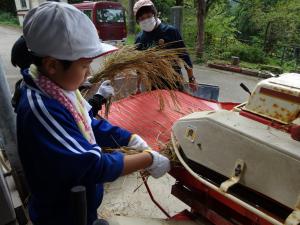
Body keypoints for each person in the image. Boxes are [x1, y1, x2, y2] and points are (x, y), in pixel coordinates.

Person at [14, 2, 170, 225]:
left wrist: (128, 138)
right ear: (51, 65)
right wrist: (148, 159)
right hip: (63, 216)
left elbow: (88, 123)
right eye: (84, 66)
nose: (89, 72)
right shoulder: (43, 109)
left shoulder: (55, 87)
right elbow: (90, 167)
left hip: (81, 207)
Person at [11, 36, 112, 117]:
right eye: (84, 66)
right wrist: (99, 97)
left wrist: (78, 85)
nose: (89, 72)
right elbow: (79, 119)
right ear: (49, 66)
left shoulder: (30, 86)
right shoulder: (45, 108)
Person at [133, 0, 196, 92]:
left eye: (148, 16)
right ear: (138, 20)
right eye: (142, 18)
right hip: (152, 86)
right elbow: (140, 66)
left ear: (154, 14)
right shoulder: (139, 39)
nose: (145, 20)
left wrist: (191, 78)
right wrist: (138, 87)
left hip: (174, 83)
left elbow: (184, 56)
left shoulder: (170, 31)